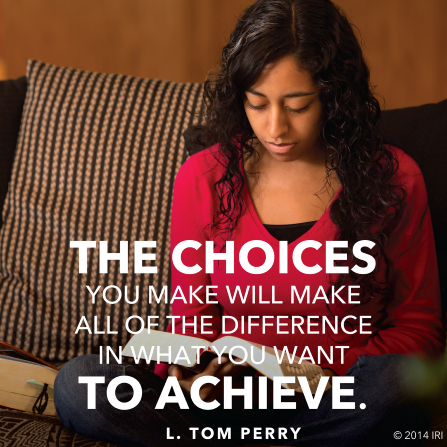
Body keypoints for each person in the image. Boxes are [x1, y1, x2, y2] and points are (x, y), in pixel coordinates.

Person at [54, 0, 445, 446]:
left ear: (334, 96)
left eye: (298, 105)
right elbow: (192, 317)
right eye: (257, 104)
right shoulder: (204, 176)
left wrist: (306, 372)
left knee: (395, 384)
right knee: (80, 383)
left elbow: (419, 330)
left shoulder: (394, 177)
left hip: (331, 396)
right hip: (224, 401)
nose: (275, 127)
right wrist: (189, 370)